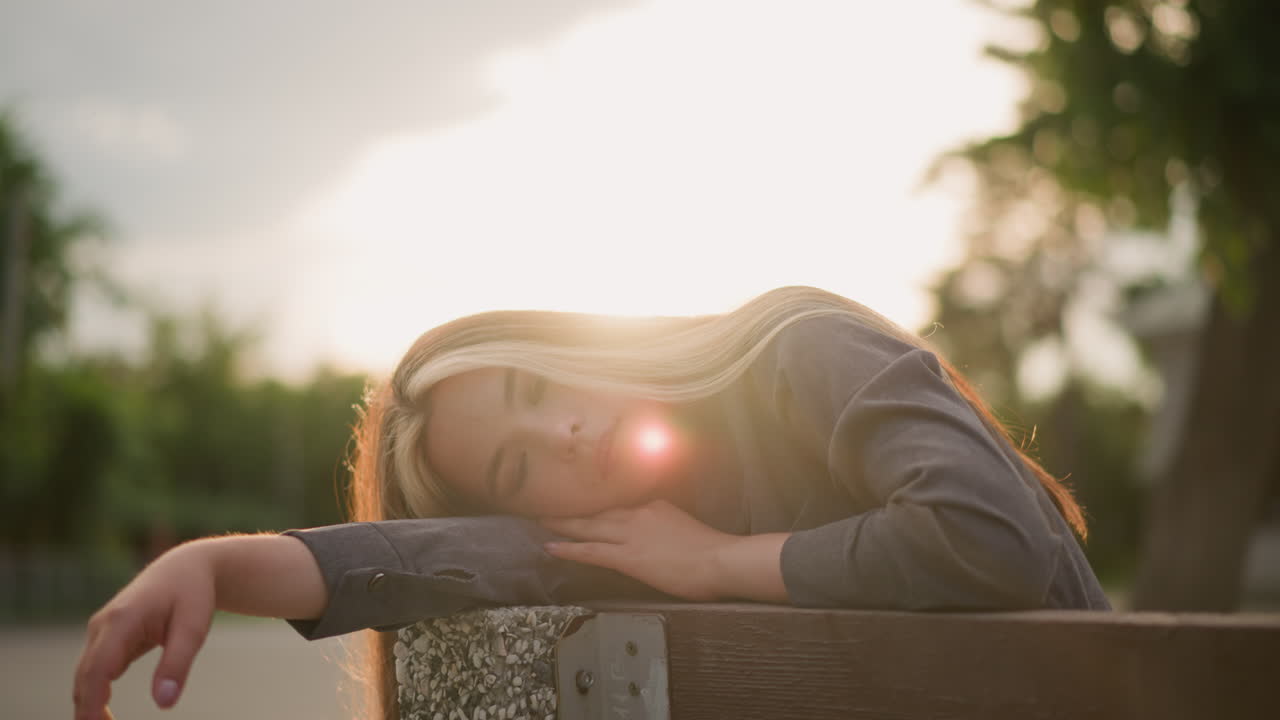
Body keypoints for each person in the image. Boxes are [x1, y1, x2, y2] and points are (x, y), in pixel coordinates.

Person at [72, 286, 1110, 720]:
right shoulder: (617, 535)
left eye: (537, 390)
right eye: (520, 469)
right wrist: (210, 564)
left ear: (566, 347)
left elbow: (988, 541)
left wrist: (717, 564)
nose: (562, 434)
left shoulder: (797, 346)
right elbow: (425, 558)